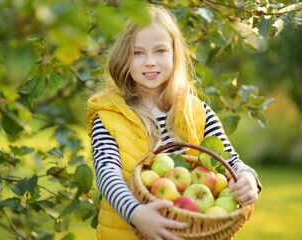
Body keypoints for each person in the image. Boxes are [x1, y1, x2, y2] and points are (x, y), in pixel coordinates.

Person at [86, 4, 261, 240]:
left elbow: (229, 158)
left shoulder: (196, 111)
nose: (150, 61)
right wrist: (137, 214)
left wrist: (247, 177)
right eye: (138, 53)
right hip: (126, 232)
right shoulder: (109, 116)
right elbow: (107, 174)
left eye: (160, 51)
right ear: (124, 58)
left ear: (174, 55)